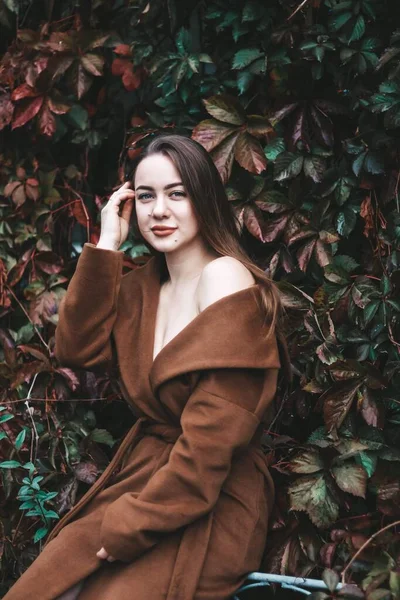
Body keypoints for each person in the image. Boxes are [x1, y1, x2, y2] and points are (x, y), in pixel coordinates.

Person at [4, 134, 290, 600]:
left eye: (177, 194)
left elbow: (209, 449)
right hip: (143, 482)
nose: (159, 210)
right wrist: (107, 246)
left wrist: (129, 526)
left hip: (210, 499)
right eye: (147, 196)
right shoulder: (142, 288)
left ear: (205, 200)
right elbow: (76, 349)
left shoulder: (224, 278)